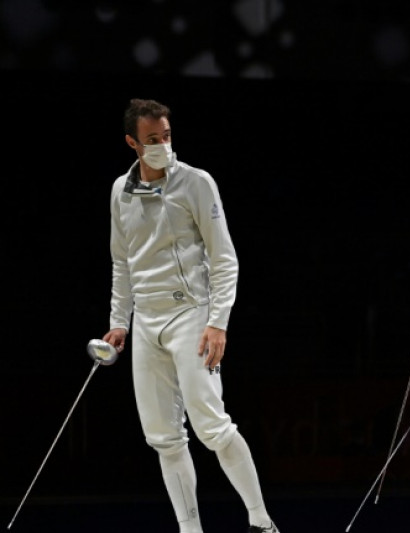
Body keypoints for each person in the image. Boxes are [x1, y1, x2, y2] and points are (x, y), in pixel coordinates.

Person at [101, 98, 279, 533]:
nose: (162, 145)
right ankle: (190, 529)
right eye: (151, 140)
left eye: (166, 136)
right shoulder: (118, 192)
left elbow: (224, 258)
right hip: (146, 323)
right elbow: (121, 262)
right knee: (163, 437)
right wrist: (119, 322)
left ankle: (261, 522)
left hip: (191, 315)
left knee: (211, 426)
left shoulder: (197, 183)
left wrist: (217, 322)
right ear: (131, 143)